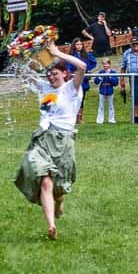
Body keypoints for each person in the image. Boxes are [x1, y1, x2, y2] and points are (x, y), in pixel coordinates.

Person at [14, 42, 88, 239]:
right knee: (45, 181)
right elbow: (20, 74)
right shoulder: (44, 88)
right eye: (49, 73)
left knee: (58, 188)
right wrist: (21, 55)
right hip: (42, 139)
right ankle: (51, 226)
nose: (51, 76)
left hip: (63, 141)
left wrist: (58, 53)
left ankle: (59, 201)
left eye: (56, 73)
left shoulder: (72, 89)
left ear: (65, 74)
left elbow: (82, 67)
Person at [66, 39, 96, 127]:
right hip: (74, 80)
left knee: (81, 99)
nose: (79, 46)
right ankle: (72, 118)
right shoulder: (71, 56)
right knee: (72, 99)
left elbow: (93, 62)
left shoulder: (86, 55)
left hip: (83, 80)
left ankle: (80, 118)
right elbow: (68, 66)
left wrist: (87, 69)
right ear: (74, 45)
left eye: (80, 44)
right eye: (77, 44)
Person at [93, 58, 119, 124]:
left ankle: (111, 120)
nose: (105, 65)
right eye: (104, 64)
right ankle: (100, 120)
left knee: (111, 106)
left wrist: (110, 77)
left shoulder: (113, 72)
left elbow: (116, 83)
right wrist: (99, 78)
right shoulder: (101, 72)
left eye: (106, 64)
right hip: (102, 91)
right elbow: (95, 82)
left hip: (110, 90)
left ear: (109, 64)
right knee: (101, 106)